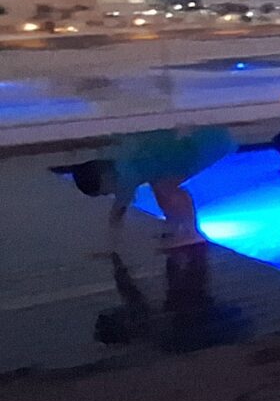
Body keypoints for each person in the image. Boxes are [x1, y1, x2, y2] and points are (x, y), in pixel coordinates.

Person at [51, 125, 236, 336]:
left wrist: (112, 246)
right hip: (176, 152)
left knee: (169, 190)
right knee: (164, 190)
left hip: (189, 151)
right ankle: (180, 229)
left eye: (104, 192)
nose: (108, 194)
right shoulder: (123, 166)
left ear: (106, 179)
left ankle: (192, 232)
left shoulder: (125, 176)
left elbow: (118, 212)